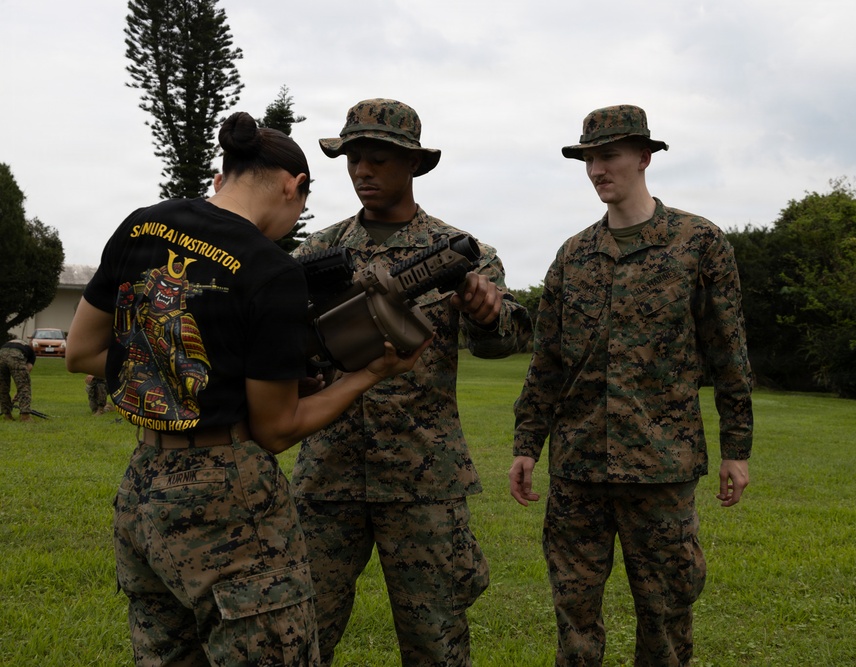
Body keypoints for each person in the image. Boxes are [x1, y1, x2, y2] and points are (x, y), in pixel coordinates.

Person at [66, 111, 429, 666]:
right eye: (302, 204)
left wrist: (188, 372)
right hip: (225, 495)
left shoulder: (142, 225)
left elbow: (82, 353)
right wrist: (372, 373)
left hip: (142, 486)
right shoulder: (270, 269)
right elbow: (278, 429)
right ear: (293, 186)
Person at [509, 104, 754, 666]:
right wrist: (527, 445)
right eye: (588, 159)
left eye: (609, 156)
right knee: (574, 618)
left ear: (644, 157)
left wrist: (736, 450)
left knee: (666, 617)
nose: (597, 169)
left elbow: (729, 353)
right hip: (577, 469)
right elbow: (545, 361)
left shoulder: (698, 243)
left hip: (660, 468)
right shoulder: (573, 256)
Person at [290, 98, 532, 666]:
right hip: (327, 476)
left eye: (377, 159)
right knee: (299, 635)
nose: (362, 172)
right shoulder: (318, 252)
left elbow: (506, 340)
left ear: (414, 166)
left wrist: (487, 314)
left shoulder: (460, 254)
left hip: (424, 478)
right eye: (353, 160)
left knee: (436, 645)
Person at [0, 338, 35, 421]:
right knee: (24, 386)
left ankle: (7, 415)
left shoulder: (11, 343)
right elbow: (26, 374)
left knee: (2, 388)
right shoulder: (32, 353)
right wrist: (19, 391)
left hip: (1, 353)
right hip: (15, 355)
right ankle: (25, 416)